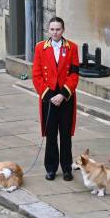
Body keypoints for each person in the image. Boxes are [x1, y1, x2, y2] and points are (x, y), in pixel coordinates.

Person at [32, 17, 80, 181]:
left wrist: (63, 95)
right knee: (50, 134)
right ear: (48, 30)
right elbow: (36, 75)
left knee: (65, 135)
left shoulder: (72, 48)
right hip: (49, 97)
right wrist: (49, 96)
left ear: (63, 30)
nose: (55, 32)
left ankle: (67, 168)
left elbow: (74, 74)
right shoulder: (40, 48)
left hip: (65, 97)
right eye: (52, 29)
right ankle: (51, 168)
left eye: (58, 29)